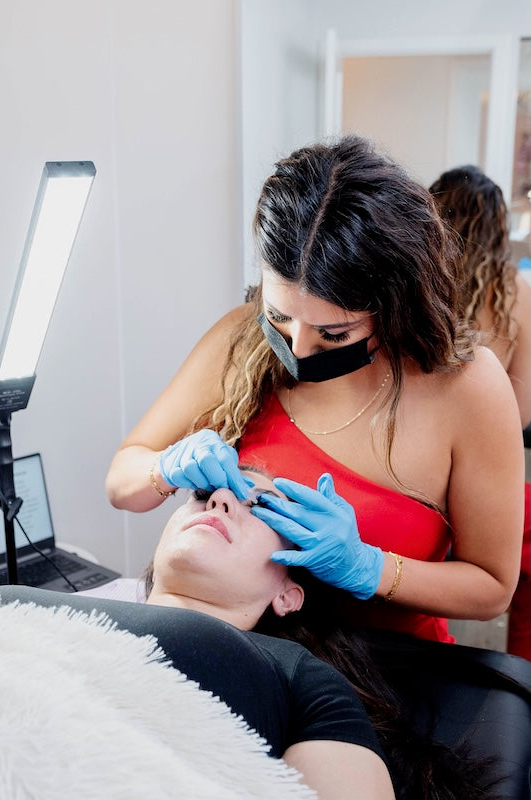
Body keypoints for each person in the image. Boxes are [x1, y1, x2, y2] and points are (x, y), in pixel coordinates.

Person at [106, 134, 525, 646]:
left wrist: (368, 568)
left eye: (333, 334)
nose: (299, 349)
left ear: (394, 306)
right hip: (260, 657)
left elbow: (492, 589)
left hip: (401, 674)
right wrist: (163, 468)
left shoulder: (466, 386)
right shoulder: (240, 340)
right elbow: (121, 482)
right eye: (280, 317)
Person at [140, 470, 501, 800]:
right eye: (202, 493)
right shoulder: (85, 611)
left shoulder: (299, 682)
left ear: (287, 594)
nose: (219, 499)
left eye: (261, 508)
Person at [429, 164, 531, 660]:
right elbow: (523, 413)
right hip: (488, 470)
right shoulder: (519, 296)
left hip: (422, 465)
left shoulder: (418, 289)